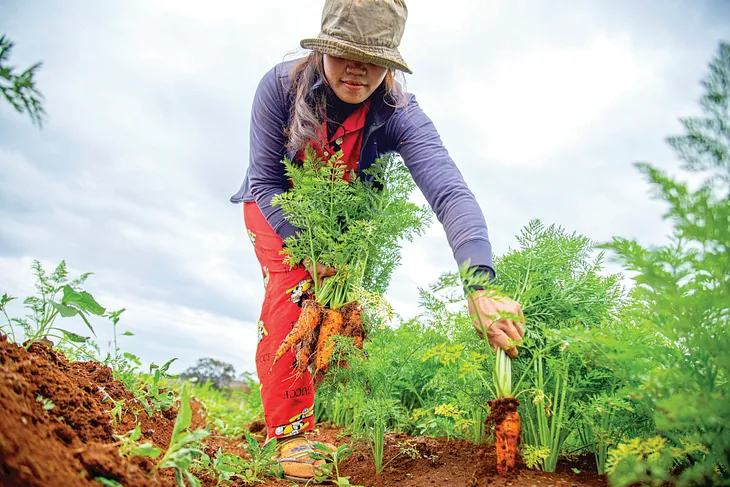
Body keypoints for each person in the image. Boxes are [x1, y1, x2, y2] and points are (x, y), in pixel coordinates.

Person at [229, 0, 525, 481]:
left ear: (389, 63)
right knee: (297, 291)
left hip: (343, 217)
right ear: (324, 47)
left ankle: (302, 410)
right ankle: (285, 436)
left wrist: (480, 284)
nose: (358, 69)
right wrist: (307, 248)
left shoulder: (398, 112)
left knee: (337, 318)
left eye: (374, 59)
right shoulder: (281, 87)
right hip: (276, 207)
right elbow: (265, 180)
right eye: (345, 52)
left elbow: (449, 191)